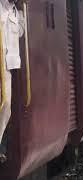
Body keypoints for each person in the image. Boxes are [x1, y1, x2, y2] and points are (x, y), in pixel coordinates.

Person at [0, 0, 25, 163]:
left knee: (6, 104)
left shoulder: (18, 13)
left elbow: (20, 33)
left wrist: (22, 17)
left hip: (7, 64)